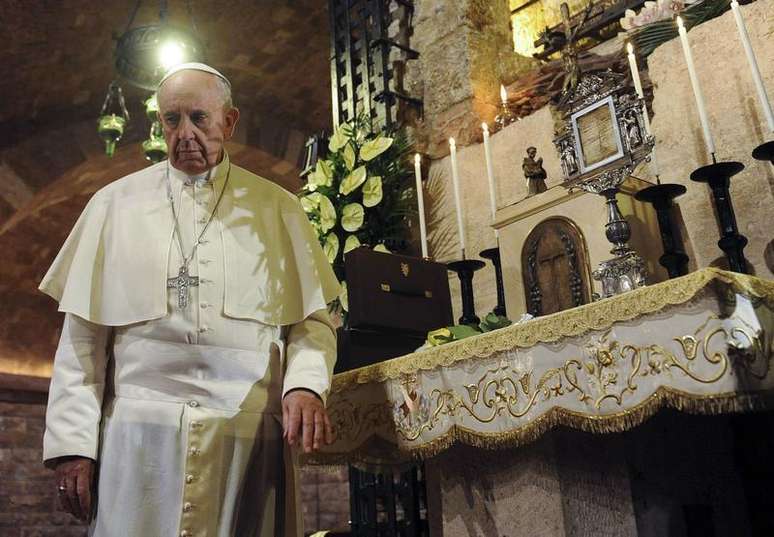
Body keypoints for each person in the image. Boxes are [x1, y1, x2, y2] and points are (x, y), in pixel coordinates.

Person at [39, 62, 341, 537]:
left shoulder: (278, 207)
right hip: (136, 444)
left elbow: (312, 324)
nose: (184, 134)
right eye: (171, 119)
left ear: (230, 121)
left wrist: (304, 385)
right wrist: (74, 446)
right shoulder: (112, 205)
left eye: (199, 118)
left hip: (246, 441)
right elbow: (82, 343)